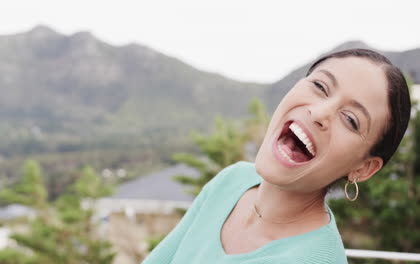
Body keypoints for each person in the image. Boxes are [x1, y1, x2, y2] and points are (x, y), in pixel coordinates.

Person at [141, 49, 411, 264]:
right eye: (320, 86)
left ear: (363, 169)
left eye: (351, 119)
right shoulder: (232, 180)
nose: (319, 113)